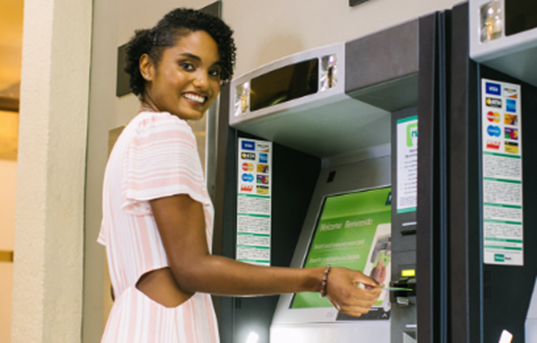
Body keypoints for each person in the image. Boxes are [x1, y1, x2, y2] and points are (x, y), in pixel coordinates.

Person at [98, 8, 382, 342]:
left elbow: (122, 285)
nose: (203, 82)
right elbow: (192, 269)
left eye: (214, 71)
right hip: (168, 330)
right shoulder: (167, 131)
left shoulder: (130, 139)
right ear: (148, 66)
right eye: (187, 65)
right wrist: (320, 278)